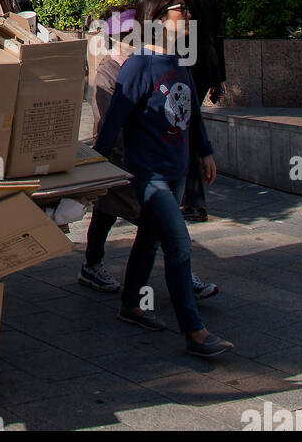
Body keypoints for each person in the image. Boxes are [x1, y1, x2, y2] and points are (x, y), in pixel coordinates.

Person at [94, 0, 232, 358]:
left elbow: (194, 114)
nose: (187, 16)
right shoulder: (138, 65)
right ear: (156, 18)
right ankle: (195, 331)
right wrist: (94, 172)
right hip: (148, 173)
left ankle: (131, 305)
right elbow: (112, 124)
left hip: (177, 170)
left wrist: (204, 152)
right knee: (179, 244)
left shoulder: (178, 61)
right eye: (180, 9)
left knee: (150, 239)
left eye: (187, 10)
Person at [79, 18, 218, 301]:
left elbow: (188, 110)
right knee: (111, 215)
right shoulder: (110, 71)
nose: (132, 38)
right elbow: (109, 121)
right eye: (127, 34)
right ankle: (95, 266)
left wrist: (201, 150)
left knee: (150, 224)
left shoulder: (156, 62)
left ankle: (137, 293)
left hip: (145, 160)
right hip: (124, 160)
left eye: (135, 32)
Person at [161, 0, 226, 222]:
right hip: (206, 67)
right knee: (190, 126)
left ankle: (193, 201)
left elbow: (172, 38)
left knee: (183, 131)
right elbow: (218, 37)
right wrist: (219, 77)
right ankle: (191, 200)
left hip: (183, 68)